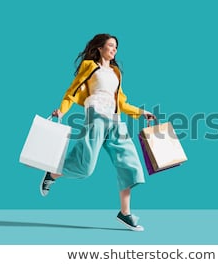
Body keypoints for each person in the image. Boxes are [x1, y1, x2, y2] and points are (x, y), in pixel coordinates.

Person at [40, 33, 156, 232]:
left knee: (131, 165)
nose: (114, 49)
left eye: (116, 47)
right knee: (85, 169)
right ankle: (52, 173)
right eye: (110, 46)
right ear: (100, 48)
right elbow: (71, 92)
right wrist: (62, 110)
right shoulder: (90, 67)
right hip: (95, 117)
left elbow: (121, 102)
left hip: (115, 120)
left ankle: (125, 214)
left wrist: (141, 112)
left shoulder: (116, 72)